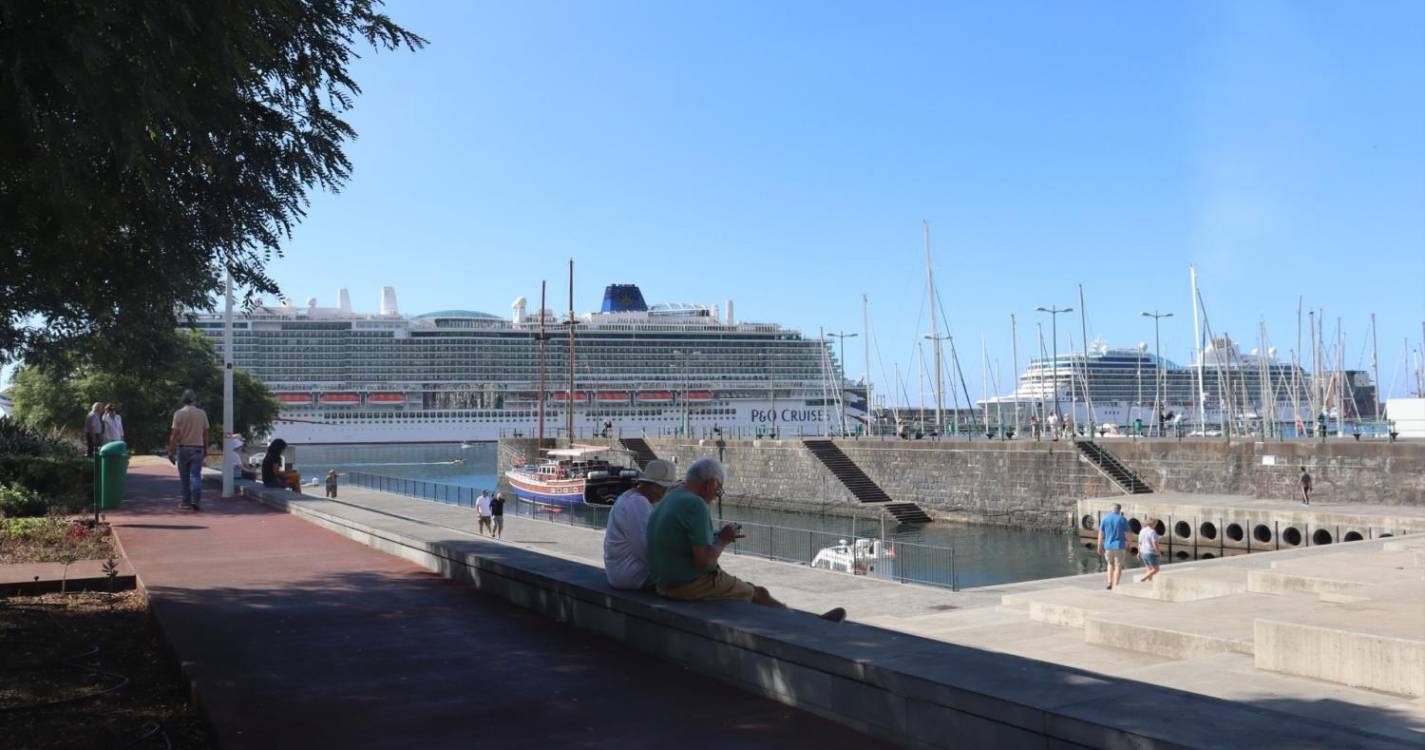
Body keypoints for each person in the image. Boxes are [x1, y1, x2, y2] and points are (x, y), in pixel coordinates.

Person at [644, 457, 846, 622]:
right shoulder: (695, 505)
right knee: (757, 593)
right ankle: (805, 623)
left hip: (664, 582)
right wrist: (723, 539)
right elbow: (704, 562)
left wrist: (714, 536)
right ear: (710, 484)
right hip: (684, 586)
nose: (716, 495)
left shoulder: (671, 497)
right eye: (718, 489)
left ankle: (799, 618)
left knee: (749, 589)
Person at [602, 459, 679, 590]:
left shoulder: (630, 496)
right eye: (665, 489)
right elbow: (645, 550)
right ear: (655, 487)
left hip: (619, 571)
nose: (665, 493)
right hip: (630, 574)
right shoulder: (638, 503)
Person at [166, 390, 210, 511]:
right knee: (196, 475)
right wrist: (206, 448)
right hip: (198, 448)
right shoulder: (202, 413)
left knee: (184, 477)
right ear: (194, 400)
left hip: (183, 448)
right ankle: (196, 500)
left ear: (183, 400)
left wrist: (171, 450)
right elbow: (205, 433)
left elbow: (175, 434)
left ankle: (186, 501)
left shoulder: (178, 413)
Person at [1096, 503, 1130, 590]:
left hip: (1108, 546)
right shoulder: (1122, 519)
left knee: (1110, 564)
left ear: (1111, 509)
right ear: (1119, 510)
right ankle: (1116, 584)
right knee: (1118, 565)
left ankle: (1109, 582)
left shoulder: (1105, 519)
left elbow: (1101, 533)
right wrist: (1129, 543)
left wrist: (1099, 545)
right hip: (1119, 545)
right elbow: (1127, 534)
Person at [1136, 518, 1162, 584]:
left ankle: (1150, 581)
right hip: (1150, 552)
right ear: (1153, 524)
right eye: (1155, 524)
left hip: (1143, 552)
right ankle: (1144, 578)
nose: (1156, 525)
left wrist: (1138, 553)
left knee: (1149, 568)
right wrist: (1158, 553)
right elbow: (1154, 544)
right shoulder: (1152, 532)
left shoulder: (1142, 531)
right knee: (1156, 569)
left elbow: (1139, 543)